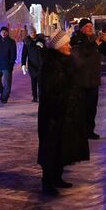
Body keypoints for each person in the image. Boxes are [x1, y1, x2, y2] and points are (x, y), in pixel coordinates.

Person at [37, 30, 73, 196]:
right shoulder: (51, 65)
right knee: (49, 147)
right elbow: (49, 92)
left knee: (60, 145)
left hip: (61, 112)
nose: (69, 46)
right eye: (66, 44)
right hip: (51, 114)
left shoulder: (62, 62)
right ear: (58, 47)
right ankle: (47, 181)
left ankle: (57, 177)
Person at [70, 18, 106, 139]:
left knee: (91, 108)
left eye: (91, 26)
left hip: (93, 80)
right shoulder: (76, 39)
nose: (90, 28)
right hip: (79, 80)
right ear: (82, 28)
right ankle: (79, 132)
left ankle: (89, 131)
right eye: (87, 26)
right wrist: (96, 43)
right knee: (80, 108)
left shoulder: (95, 39)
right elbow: (81, 52)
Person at [22, 27, 45, 103]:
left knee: (41, 82)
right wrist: (23, 65)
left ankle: (41, 96)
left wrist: (43, 47)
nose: (33, 34)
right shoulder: (27, 43)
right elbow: (24, 54)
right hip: (32, 65)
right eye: (32, 33)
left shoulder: (41, 40)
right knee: (34, 82)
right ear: (29, 33)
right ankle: (34, 96)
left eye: (34, 32)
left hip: (41, 65)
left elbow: (46, 51)